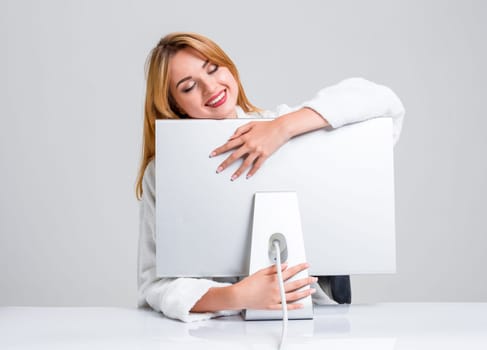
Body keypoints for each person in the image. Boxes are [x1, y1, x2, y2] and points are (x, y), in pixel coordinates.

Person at [136, 32, 405, 322]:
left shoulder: (291, 128)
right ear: (174, 104)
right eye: (189, 87)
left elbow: (384, 102)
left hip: (319, 316)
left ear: (228, 67)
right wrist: (238, 295)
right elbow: (155, 285)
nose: (211, 87)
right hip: (217, 330)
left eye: (213, 69)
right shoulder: (165, 170)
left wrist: (282, 128)